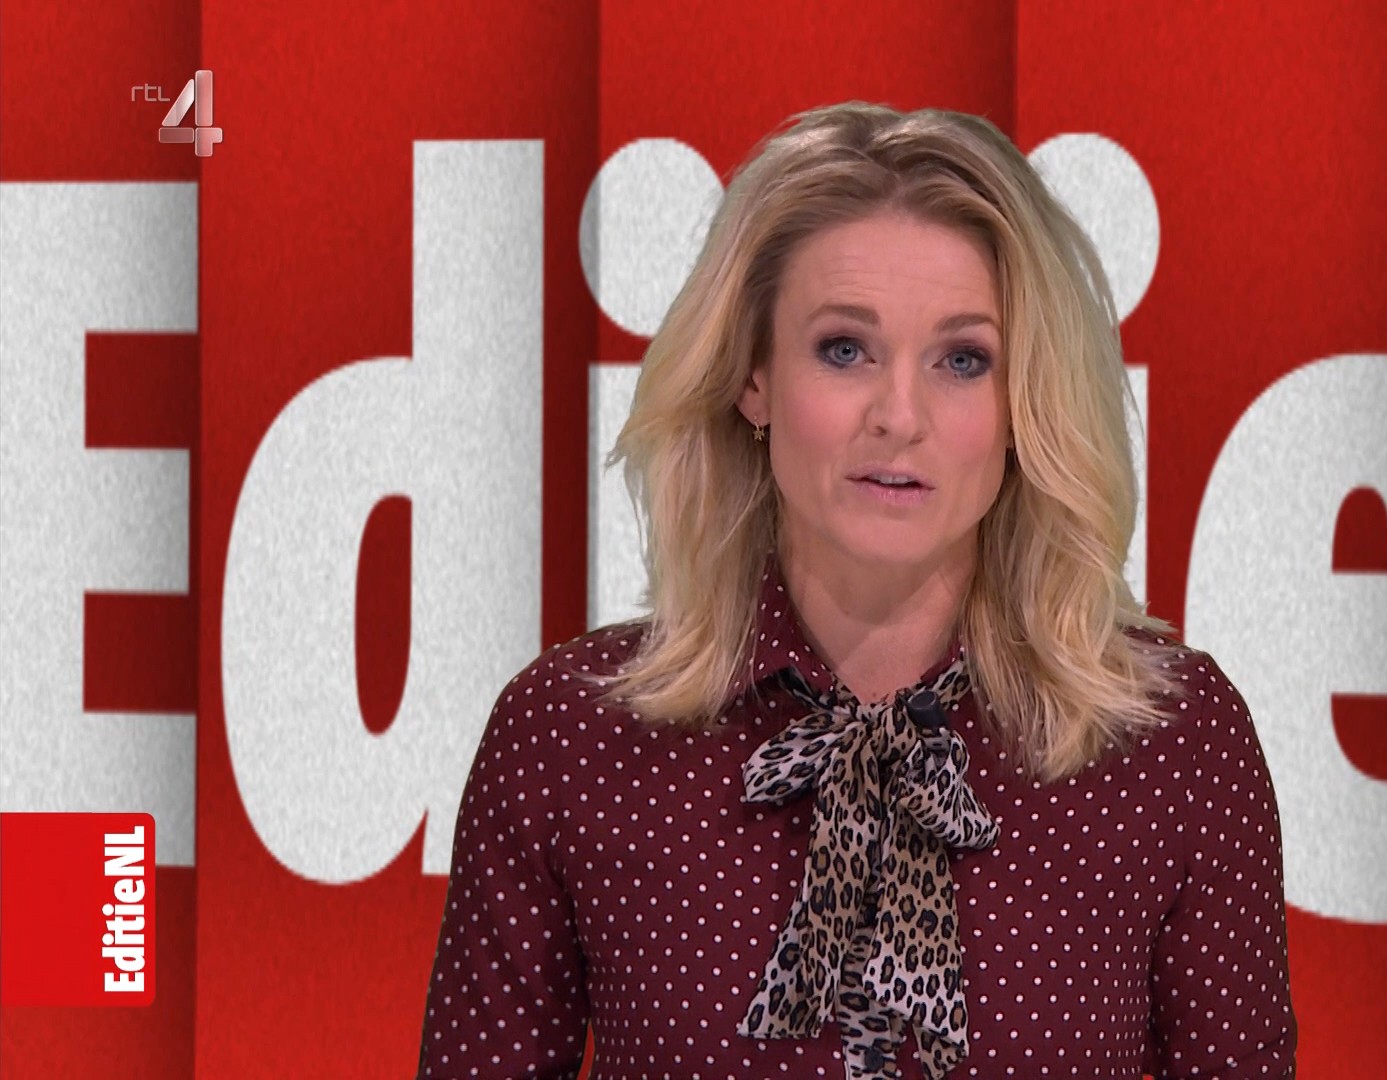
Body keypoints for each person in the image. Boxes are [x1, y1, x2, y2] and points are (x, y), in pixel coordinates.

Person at [417, 101, 1296, 1079]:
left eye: (963, 360)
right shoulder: (567, 738)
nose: (899, 415)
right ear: (753, 375)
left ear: (1024, 405)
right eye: (845, 349)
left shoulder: (1175, 744)